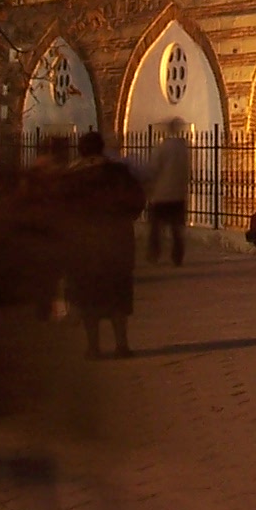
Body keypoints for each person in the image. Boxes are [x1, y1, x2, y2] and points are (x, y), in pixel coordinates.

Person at [59, 131, 144, 357]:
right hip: (116, 242)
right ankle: (121, 345)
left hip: (83, 245)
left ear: (80, 150)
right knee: (118, 295)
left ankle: (93, 346)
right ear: (102, 148)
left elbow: (60, 210)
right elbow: (137, 200)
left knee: (88, 296)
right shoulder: (119, 173)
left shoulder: (70, 177)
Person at [143, 118, 191, 267]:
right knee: (177, 229)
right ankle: (177, 256)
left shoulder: (162, 148)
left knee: (156, 228)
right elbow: (186, 171)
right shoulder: (184, 149)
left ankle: (154, 254)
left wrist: (149, 187)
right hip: (178, 194)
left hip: (161, 194)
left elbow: (153, 169)